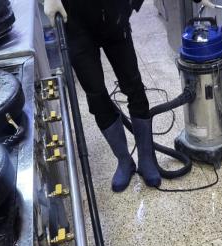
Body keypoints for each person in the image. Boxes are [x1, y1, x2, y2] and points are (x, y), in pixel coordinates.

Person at [43, 0, 161, 190]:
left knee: (133, 86)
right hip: (75, 23)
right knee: (96, 97)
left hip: (114, 13)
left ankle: (146, 158)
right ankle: (124, 160)